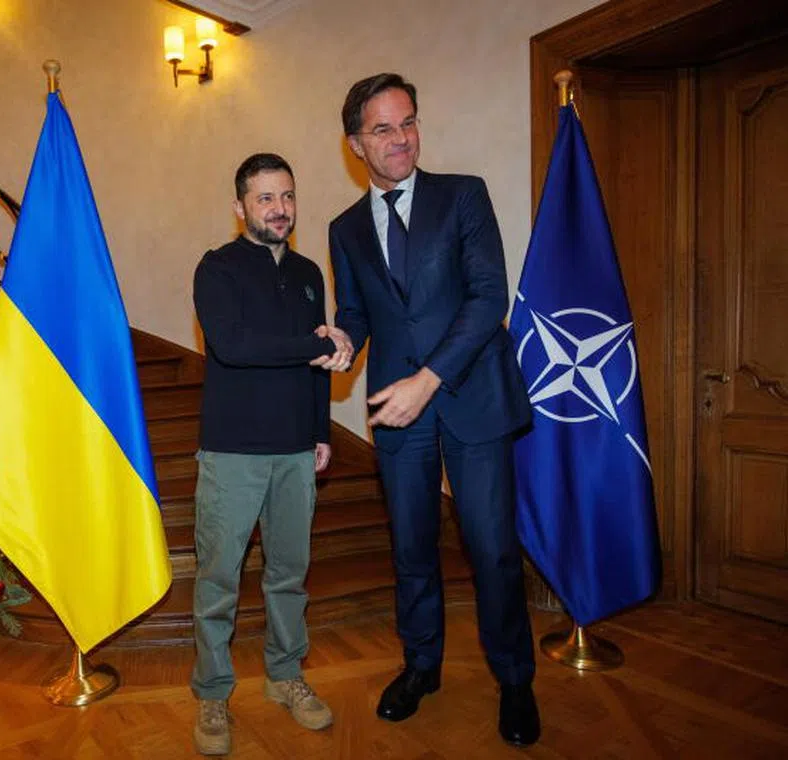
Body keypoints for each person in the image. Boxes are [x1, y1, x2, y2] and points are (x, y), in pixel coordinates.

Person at [328, 73, 540, 747]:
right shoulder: (344, 229)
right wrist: (342, 341)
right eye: (383, 129)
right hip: (399, 411)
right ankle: (422, 667)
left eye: (408, 122)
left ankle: (514, 680)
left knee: (493, 549)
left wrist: (428, 377)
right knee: (411, 548)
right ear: (357, 142)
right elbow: (359, 312)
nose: (401, 138)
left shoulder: (463, 196)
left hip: (471, 396)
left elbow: (487, 298)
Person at [190, 152, 352, 756]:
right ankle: (211, 694)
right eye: (265, 198)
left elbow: (314, 371)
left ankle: (286, 678)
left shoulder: (310, 271)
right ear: (240, 208)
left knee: (288, 576)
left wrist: (322, 432)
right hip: (232, 452)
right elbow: (233, 346)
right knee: (218, 581)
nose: (279, 208)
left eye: (286, 195)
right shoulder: (217, 269)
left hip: (293, 452)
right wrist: (312, 346)